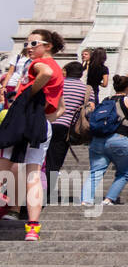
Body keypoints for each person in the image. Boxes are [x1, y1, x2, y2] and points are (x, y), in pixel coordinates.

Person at [0, 30, 65, 240]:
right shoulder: (59, 70)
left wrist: (30, 94)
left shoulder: (38, 64)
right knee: (33, 175)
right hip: (42, 124)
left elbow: (44, 73)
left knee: (3, 168)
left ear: (48, 46)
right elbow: (60, 109)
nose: (29, 47)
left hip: (24, 119)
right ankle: (32, 229)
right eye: (28, 43)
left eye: (34, 43)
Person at [80, 73, 128, 207]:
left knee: (95, 172)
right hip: (119, 139)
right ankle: (109, 199)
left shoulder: (106, 100)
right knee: (124, 172)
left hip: (98, 140)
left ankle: (86, 200)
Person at [46, 60, 87, 202]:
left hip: (48, 123)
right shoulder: (86, 89)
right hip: (66, 128)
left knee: (39, 159)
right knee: (55, 162)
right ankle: (47, 192)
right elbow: (90, 108)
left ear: (66, 72)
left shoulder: (59, 83)